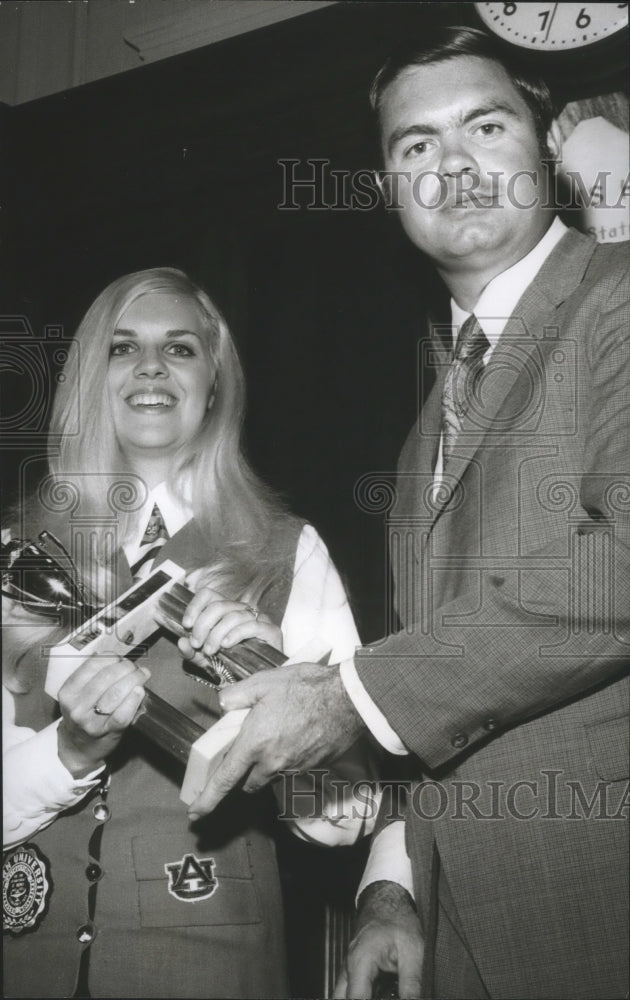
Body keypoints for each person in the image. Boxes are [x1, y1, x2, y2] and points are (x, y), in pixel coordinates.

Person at [187, 26, 630, 1000]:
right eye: (415, 146)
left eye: (485, 123)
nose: (453, 165)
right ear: (388, 186)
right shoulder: (430, 419)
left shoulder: (618, 301)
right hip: (459, 911)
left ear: (549, 145)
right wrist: (394, 882)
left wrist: (346, 696)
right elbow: (441, 666)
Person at [2, 267, 375, 998]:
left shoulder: (287, 550)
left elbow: (349, 815)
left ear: (214, 383)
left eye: (180, 348)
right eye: (121, 348)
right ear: (88, 380)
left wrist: (270, 681)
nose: (150, 366)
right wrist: (69, 750)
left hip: (206, 957)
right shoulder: (17, 555)